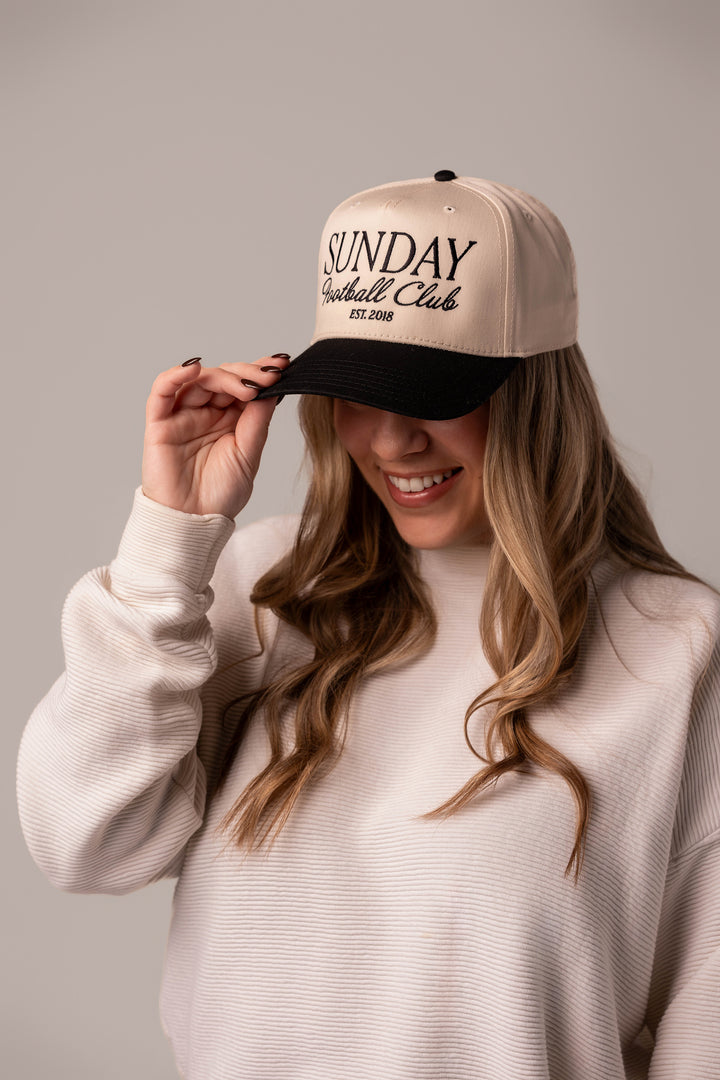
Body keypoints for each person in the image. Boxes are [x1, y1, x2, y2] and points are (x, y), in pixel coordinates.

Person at [17, 172, 720, 1080]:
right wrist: (169, 539)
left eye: (431, 395)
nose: (391, 442)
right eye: (356, 390)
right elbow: (82, 841)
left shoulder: (680, 652)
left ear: (537, 392)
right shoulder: (263, 589)